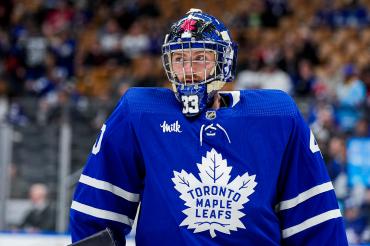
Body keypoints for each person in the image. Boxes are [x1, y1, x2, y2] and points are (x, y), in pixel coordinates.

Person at [70, 9, 348, 245]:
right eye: (179, 59)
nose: (188, 70)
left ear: (224, 64)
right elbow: (96, 213)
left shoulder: (277, 116)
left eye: (200, 58)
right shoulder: (140, 113)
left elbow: (315, 221)